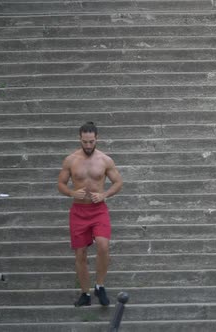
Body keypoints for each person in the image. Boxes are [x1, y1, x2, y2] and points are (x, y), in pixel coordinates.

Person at [58, 122, 123, 306]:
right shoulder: (70, 160)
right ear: (80, 139)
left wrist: (104, 194)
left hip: (98, 209)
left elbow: (118, 182)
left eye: (91, 141)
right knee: (81, 254)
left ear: (97, 139)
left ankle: (100, 286)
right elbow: (61, 184)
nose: (88, 145)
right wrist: (71, 193)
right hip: (79, 211)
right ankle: (85, 294)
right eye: (85, 142)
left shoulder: (105, 160)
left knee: (103, 245)